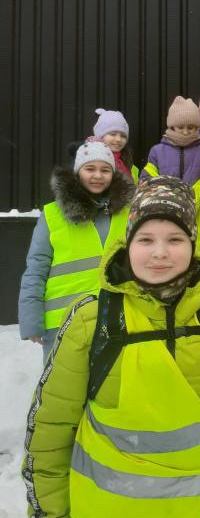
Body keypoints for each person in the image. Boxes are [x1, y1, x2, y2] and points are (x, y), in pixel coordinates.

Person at [22, 176, 200, 518]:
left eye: (175, 239)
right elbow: (49, 433)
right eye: (146, 239)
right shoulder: (91, 320)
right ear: (128, 243)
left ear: (194, 243)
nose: (160, 253)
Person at [18, 142, 134, 361]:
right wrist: (31, 320)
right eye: (90, 168)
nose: (97, 175)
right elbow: (36, 269)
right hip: (64, 323)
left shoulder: (129, 213)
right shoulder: (52, 214)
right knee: (62, 382)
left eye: (105, 169)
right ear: (78, 172)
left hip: (119, 319)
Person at [141, 96, 200, 253]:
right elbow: (146, 180)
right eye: (181, 127)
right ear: (172, 126)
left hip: (197, 214)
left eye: (191, 127)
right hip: (165, 211)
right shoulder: (157, 151)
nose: (186, 132)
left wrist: (198, 191)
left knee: (195, 255)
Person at [91, 108, 139, 182]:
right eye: (113, 134)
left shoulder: (125, 159)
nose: (118, 139)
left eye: (123, 136)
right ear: (100, 136)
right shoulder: (93, 158)